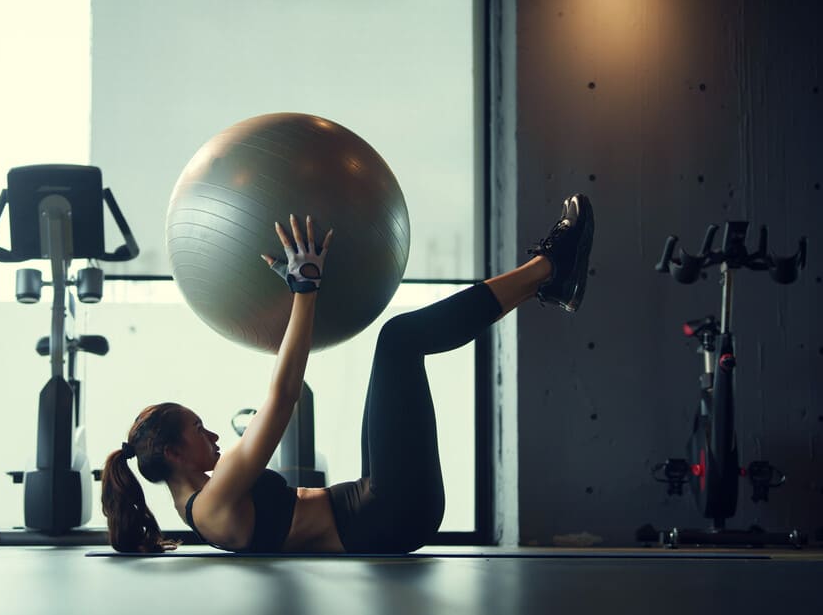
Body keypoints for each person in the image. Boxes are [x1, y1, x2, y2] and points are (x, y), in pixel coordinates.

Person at [101, 194, 594, 554]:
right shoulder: (212, 502)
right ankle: (548, 268)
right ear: (172, 452)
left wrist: (300, 294)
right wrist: (304, 289)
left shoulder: (207, 504)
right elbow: (283, 396)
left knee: (399, 343)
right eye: (197, 428)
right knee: (399, 340)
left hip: (377, 504)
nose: (211, 433)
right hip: (388, 513)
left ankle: (546, 284)